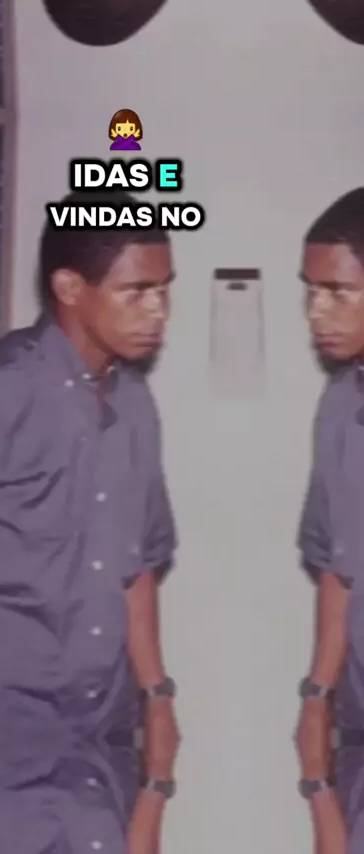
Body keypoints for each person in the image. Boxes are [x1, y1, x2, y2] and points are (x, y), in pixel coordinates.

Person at [0, 190, 180, 854]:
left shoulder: (136, 406)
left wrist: (158, 699)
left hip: (93, 746)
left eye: (165, 290)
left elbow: (137, 571)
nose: (159, 310)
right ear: (70, 288)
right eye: (137, 291)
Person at [296, 187, 364, 854]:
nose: (317, 311)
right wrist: (317, 697)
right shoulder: (341, 402)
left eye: (338, 292)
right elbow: (338, 568)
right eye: (311, 291)